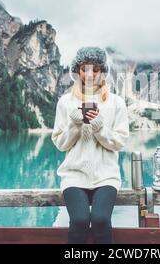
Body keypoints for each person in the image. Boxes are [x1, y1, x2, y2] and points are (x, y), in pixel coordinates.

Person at [51, 47, 130, 244]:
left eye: (94, 69)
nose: (89, 74)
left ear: (103, 71)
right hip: (74, 175)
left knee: (101, 220)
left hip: (106, 176)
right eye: (84, 69)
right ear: (77, 71)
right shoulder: (65, 102)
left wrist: (98, 127)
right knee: (79, 221)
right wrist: (75, 125)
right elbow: (61, 144)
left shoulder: (116, 102)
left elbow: (119, 142)